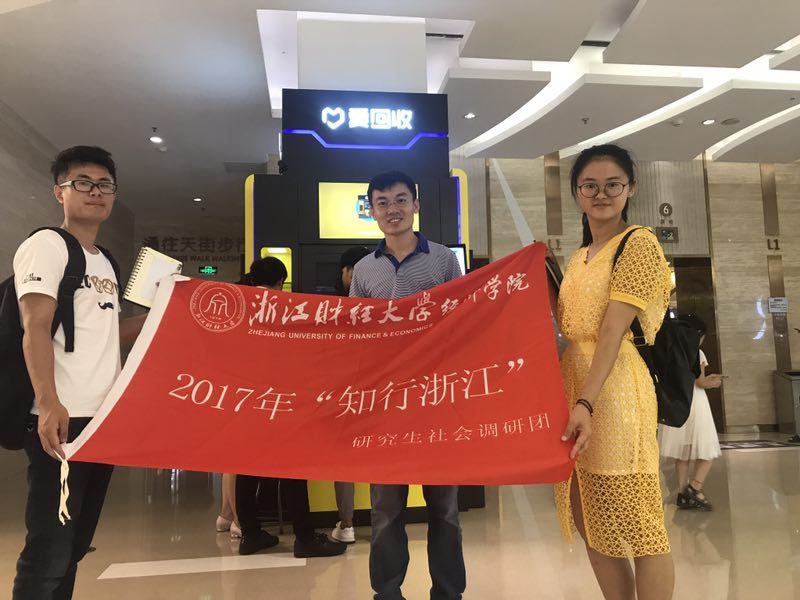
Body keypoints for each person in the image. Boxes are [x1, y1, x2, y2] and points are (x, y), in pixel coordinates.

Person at [12, 146, 147, 599]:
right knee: (49, 549)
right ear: (60, 192)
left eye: (105, 185)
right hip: (62, 419)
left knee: (73, 545)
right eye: (83, 183)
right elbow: (35, 326)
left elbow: (107, 334)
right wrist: (48, 401)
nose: (96, 192)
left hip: (102, 420)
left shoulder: (105, 260)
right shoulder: (46, 246)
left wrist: (159, 316)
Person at [554, 144, 674, 600]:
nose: (601, 194)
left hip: (616, 388)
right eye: (590, 185)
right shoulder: (578, 257)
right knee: (588, 512)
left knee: (639, 524)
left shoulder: (638, 242)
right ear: (577, 193)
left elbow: (611, 331)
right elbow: (567, 330)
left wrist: (586, 401)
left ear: (630, 189)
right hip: (574, 384)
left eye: (612, 185)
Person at [349, 171, 465, 600]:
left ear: (416, 205)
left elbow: (463, 323)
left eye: (400, 199)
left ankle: (449, 593)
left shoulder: (444, 261)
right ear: (372, 211)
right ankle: (387, 592)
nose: (392, 209)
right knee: (385, 510)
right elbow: (355, 335)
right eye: (382, 202)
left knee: (445, 510)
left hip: (437, 401)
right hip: (385, 407)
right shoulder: (365, 269)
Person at [235, 256, 346, 559]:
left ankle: (250, 534)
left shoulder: (240, 306)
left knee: (246, 469)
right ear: (280, 282)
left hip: (245, 401)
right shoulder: (284, 307)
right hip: (281, 401)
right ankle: (305, 538)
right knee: (292, 468)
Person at [658, 314, 722, 511]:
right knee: (708, 449)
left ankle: (682, 492)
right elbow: (700, 382)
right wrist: (714, 382)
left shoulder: (671, 351)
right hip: (696, 404)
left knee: (683, 452)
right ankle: (695, 488)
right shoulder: (697, 352)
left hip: (679, 402)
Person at [330, 245, 370, 545]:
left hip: (344, 393)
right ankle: (384, 519)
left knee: (343, 460)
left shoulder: (331, 306)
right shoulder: (382, 302)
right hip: (376, 392)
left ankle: (347, 524)